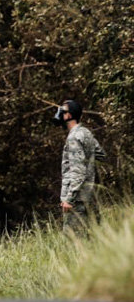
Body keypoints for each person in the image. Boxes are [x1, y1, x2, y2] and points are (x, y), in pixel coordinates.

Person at [55, 99, 105, 231]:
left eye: (63, 111)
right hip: (91, 196)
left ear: (69, 115)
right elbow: (101, 155)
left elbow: (78, 171)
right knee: (93, 239)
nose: (60, 114)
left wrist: (69, 199)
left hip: (78, 200)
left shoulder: (73, 138)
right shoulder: (86, 133)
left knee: (73, 241)